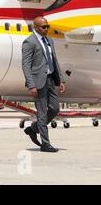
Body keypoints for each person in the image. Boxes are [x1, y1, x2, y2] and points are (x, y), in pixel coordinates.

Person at [22, 16, 66, 153]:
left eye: (47, 26)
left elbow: (54, 60)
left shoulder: (49, 40)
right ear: (36, 27)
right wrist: (31, 85)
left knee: (55, 109)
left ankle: (33, 128)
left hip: (51, 80)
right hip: (38, 82)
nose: (47, 29)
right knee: (42, 113)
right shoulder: (29, 42)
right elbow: (25, 65)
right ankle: (45, 144)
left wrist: (61, 80)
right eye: (44, 27)